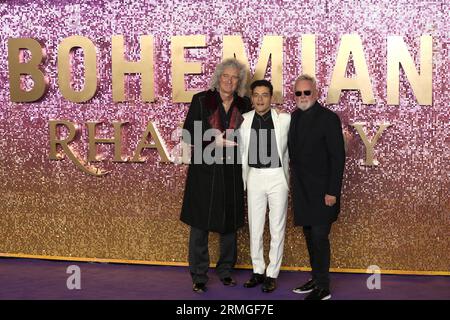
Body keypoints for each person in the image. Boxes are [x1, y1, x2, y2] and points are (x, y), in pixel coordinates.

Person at [180, 58, 251, 293]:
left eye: (234, 77)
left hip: (231, 170)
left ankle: (225, 271)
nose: (229, 81)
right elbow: (189, 134)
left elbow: (254, 133)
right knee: (200, 224)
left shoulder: (245, 103)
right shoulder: (201, 99)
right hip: (205, 170)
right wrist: (212, 139)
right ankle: (199, 275)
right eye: (226, 76)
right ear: (218, 77)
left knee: (228, 223)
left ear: (239, 82)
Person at [288, 74, 345, 300]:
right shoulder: (293, 117)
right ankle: (316, 278)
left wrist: (332, 191)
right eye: (298, 93)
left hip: (324, 193)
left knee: (320, 237)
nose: (302, 97)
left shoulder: (329, 118)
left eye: (307, 92)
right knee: (310, 236)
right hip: (302, 191)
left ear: (316, 93)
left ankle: (323, 286)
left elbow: (337, 158)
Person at [239, 80, 290, 293]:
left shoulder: (285, 119)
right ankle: (258, 270)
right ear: (251, 98)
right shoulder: (243, 120)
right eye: (256, 95)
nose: (260, 99)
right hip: (255, 176)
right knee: (255, 227)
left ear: (271, 97)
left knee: (277, 227)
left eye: (265, 95)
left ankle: (272, 273)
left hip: (277, 175)